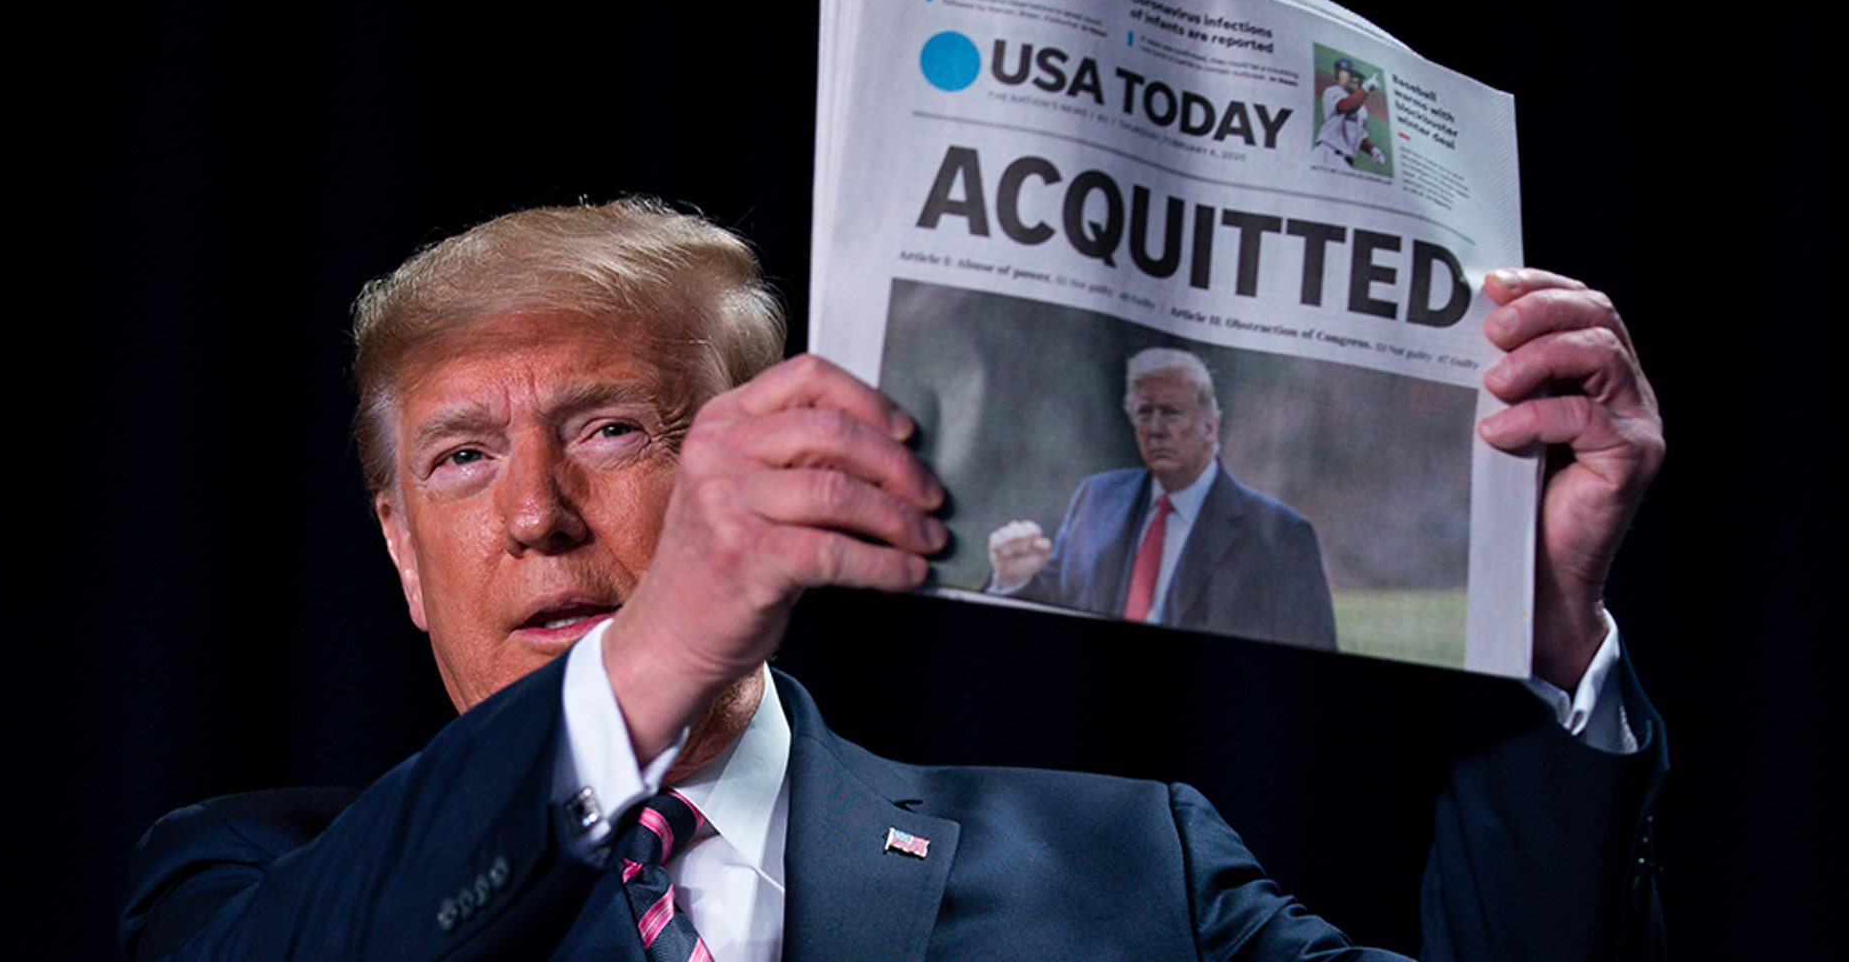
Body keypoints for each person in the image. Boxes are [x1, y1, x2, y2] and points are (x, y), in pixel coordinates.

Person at [123, 198, 1667, 960]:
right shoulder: (236, 889)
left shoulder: (1129, 870)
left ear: (757, 451)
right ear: (396, 546)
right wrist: (645, 660)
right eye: (460, 459)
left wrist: (1538, 634)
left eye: (610, 430)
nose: (536, 514)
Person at [985, 349, 1336, 649]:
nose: (1155, 429)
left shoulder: (1281, 536)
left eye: (1171, 413)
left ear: (1210, 426)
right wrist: (1014, 582)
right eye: (1144, 413)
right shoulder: (1097, 499)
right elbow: (1049, 606)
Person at [1315, 56, 1389, 170]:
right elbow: (1346, 106)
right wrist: (1366, 88)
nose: (1355, 79)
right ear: (1339, 75)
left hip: (1346, 162)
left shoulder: (1361, 109)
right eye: (1350, 74)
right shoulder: (1333, 91)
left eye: (1357, 77)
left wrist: (1372, 150)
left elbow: (1360, 137)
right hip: (1327, 153)